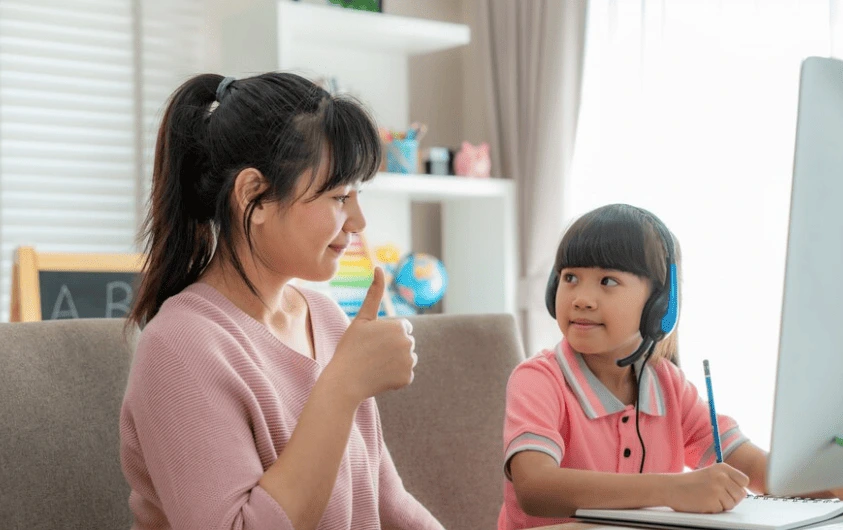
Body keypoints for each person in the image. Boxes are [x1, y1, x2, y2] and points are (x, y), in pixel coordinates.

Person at [120, 72, 445, 530]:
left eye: (356, 195)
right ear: (254, 196)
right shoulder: (178, 347)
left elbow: (387, 504)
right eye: (339, 196)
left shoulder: (327, 318)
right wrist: (341, 387)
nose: (358, 221)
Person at [497, 203, 840, 530]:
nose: (581, 299)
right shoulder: (539, 380)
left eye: (607, 281)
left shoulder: (668, 385)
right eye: (570, 277)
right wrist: (672, 489)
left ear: (660, 303)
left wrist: (827, 484)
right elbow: (535, 487)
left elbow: (754, 468)